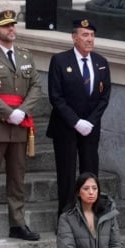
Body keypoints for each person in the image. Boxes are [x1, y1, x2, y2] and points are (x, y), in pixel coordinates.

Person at [0, 10, 44, 241]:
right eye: (5, 27)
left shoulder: (25, 56)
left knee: (17, 178)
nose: (11, 29)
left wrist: (22, 112)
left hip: (20, 124)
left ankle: (17, 222)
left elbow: (35, 86)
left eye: (13, 25)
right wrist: (8, 113)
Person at [46, 19, 111, 216]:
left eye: (92, 35)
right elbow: (56, 96)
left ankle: (90, 213)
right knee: (66, 173)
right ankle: (66, 216)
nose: (89, 39)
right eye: (84, 35)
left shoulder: (101, 62)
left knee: (90, 171)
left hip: (91, 128)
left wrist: (90, 121)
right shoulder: (60, 61)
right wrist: (75, 121)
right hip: (66, 127)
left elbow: (104, 96)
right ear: (74, 38)